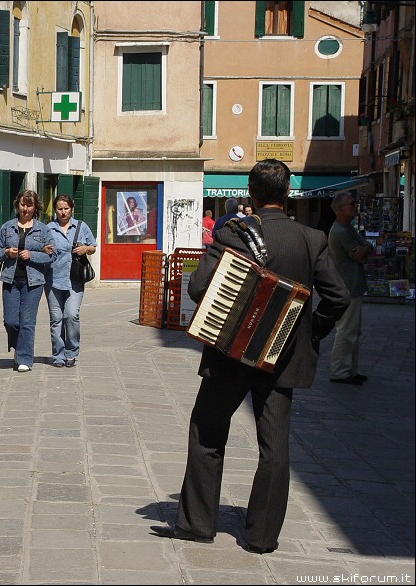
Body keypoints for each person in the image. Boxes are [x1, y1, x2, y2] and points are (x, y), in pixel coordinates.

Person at [151, 159, 349, 554]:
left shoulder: (232, 234)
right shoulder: (312, 239)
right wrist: (309, 333)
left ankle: (197, 524)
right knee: (275, 447)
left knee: (207, 431)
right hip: (284, 357)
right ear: (288, 192)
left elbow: (197, 289)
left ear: (252, 194)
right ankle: (261, 537)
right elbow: (338, 297)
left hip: (231, 355)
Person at [0, 190, 55, 372]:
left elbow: (52, 255)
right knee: (11, 321)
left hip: (33, 282)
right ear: (17, 205)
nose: (25, 209)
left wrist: (32, 255)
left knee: (27, 321)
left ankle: (24, 359)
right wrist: (6, 252)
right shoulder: (7, 227)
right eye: (22, 205)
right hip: (11, 280)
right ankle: (19, 347)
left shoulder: (43, 230)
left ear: (35, 208)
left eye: (29, 205)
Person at [43, 194, 98, 368]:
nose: (63, 212)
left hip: (74, 279)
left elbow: (93, 247)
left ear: (71, 208)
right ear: (55, 210)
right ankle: (58, 355)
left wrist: (86, 248)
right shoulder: (48, 228)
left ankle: (71, 351)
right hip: (53, 279)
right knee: (56, 318)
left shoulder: (81, 226)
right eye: (60, 209)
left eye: (66, 208)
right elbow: (40, 249)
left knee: (71, 315)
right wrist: (45, 249)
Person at [328, 192, 374, 385]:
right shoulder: (340, 231)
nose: (355, 206)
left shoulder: (348, 228)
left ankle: (350, 370)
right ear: (340, 209)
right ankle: (340, 371)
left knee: (353, 331)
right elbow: (361, 254)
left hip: (352, 285)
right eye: (351, 204)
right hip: (347, 287)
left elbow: (366, 247)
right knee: (347, 331)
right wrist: (365, 249)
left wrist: (365, 249)